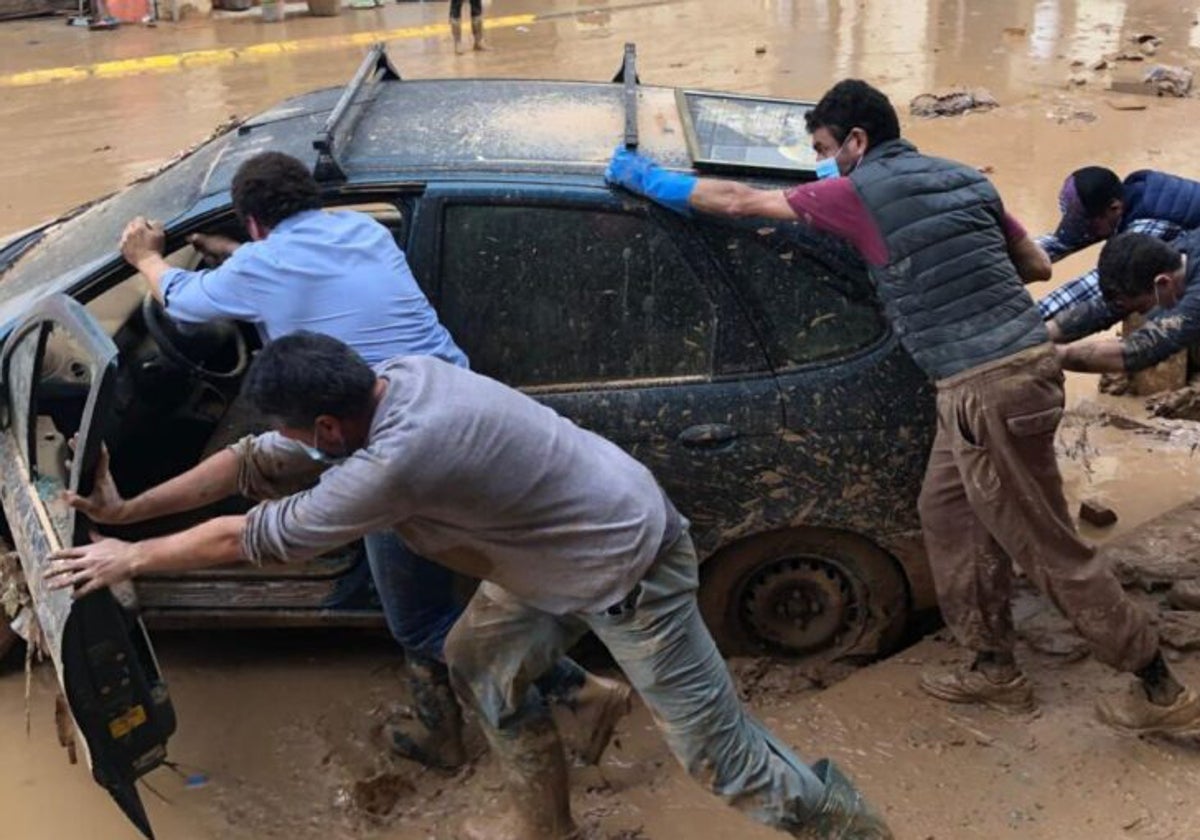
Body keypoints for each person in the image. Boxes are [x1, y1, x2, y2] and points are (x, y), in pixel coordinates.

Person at [49, 332, 892, 840]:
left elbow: (248, 534)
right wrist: (129, 512)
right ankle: (552, 814)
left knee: (722, 757)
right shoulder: (398, 379)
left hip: (624, 568)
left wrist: (130, 561)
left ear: (333, 424)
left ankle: (854, 831)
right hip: (552, 549)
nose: (288, 441)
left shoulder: (396, 459)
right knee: (477, 660)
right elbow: (256, 463)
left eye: (300, 431)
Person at [606, 79, 1200, 734]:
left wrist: (648, 181)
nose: (822, 161)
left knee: (1047, 546)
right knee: (947, 515)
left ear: (857, 141)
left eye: (826, 148)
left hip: (987, 386)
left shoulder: (856, 193)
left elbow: (740, 200)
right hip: (997, 380)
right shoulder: (964, 180)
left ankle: (1159, 688)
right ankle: (990, 666)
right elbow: (1033, 264)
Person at [115, 151, 625, 771]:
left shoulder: (263, 265)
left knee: (416, 621)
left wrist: (146, 256)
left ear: (254, 224)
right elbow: (302, 276)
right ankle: (447, 730)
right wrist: (235, 258)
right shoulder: (358, 230)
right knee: (253, 460)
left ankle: (576, 693)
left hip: (389, 442)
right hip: (434, 400)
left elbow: (182, 302)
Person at [1036, 166, 1200, 321]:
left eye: (1088, 224)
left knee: (1137, 290)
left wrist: (1032, 319)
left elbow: (1095, 285)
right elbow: (1059, 243)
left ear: (1115, 208)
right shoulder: (1123, 198)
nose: (1084, 231)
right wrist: (1012, 257)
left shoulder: (1150, 226)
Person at [1053, 231, 1200, 376]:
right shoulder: (1170, 257)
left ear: (1162, 283)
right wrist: (1037, 336)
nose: (1141, 314)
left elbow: (1143, 349)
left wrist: (1051, 356)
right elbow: (1105, 308)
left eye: (1142, 308)